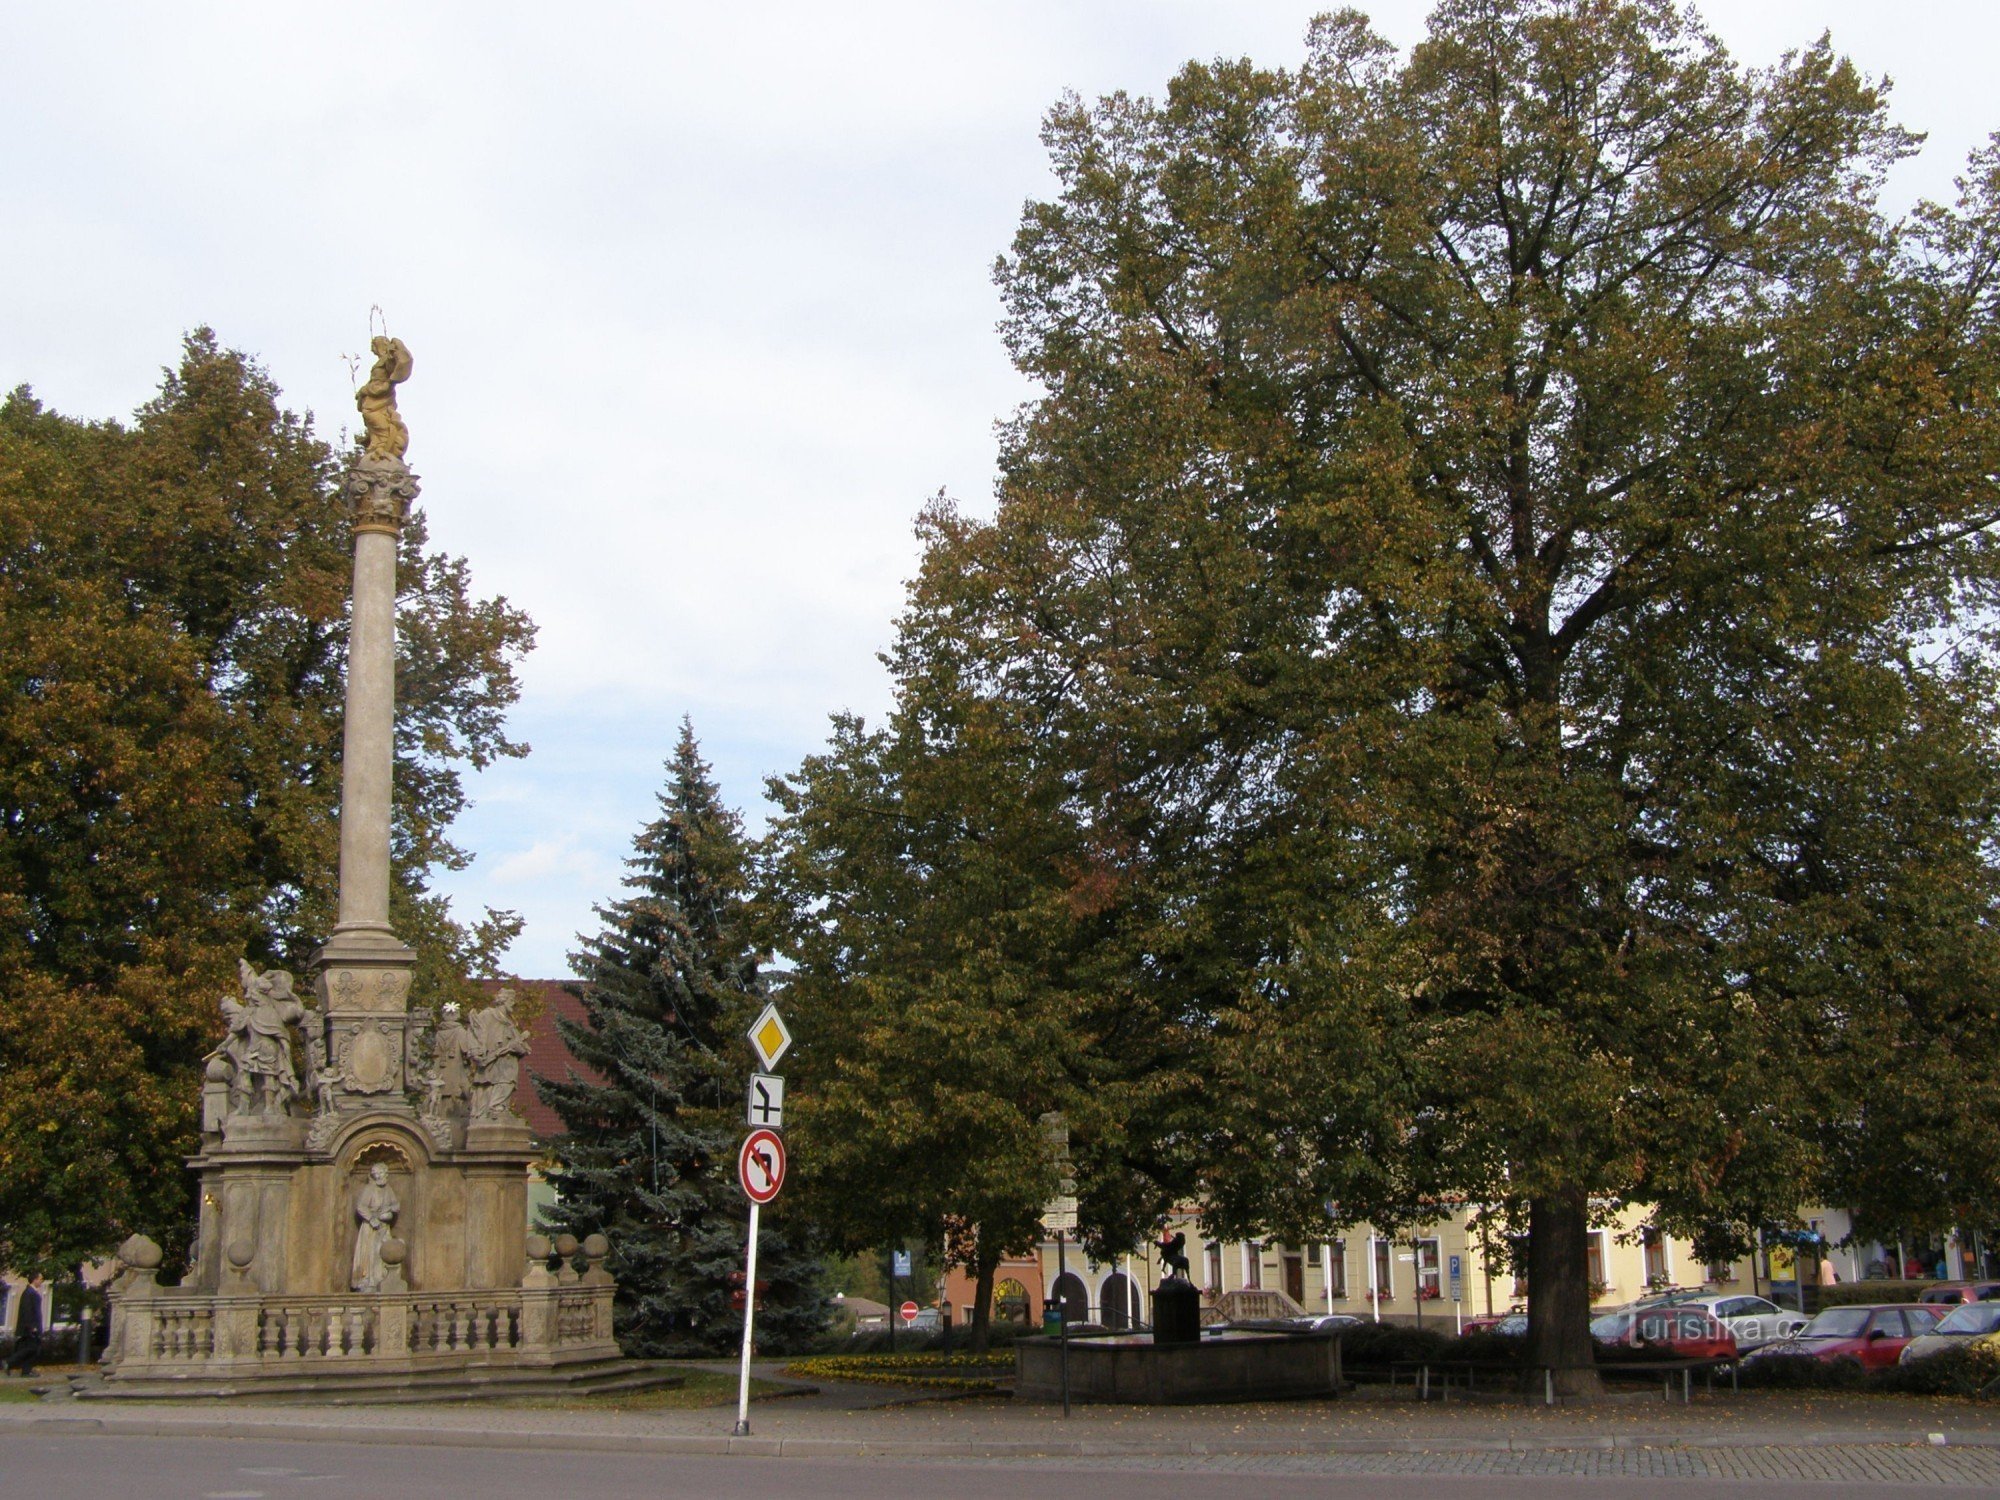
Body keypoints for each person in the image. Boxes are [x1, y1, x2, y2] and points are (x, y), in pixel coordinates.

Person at [3, 1277, 44, 1376]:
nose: (41, 1281)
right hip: (29, 1327)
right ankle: (9, 1362)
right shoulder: (29, 1293)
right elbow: (27, 1311)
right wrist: (32, 1326)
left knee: (30, 1349)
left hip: (31, 1327)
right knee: (32, 1348)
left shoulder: (32, 1293)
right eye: (40, 1279)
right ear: (34, 1280)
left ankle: (26, 1371)